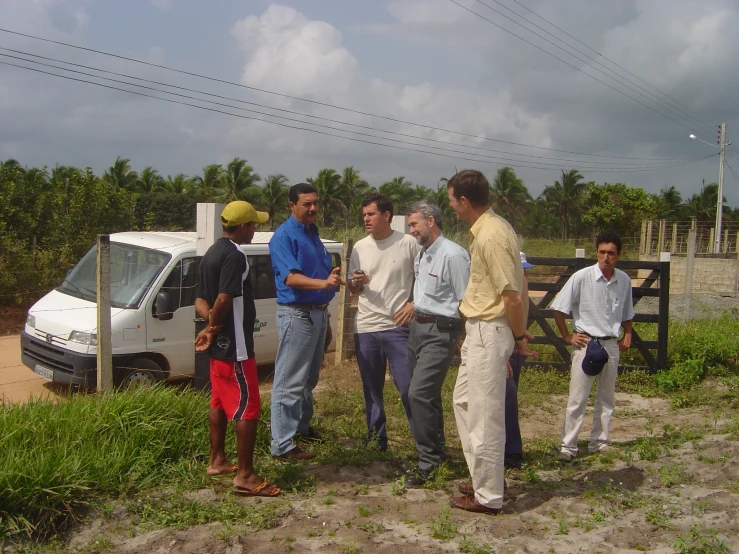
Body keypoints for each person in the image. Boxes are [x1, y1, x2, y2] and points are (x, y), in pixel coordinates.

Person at [446, 169, 536, 515]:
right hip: (482, 330)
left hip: (490, 330)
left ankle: (488, 496)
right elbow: (519, 288)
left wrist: (516, 337)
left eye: (453, 201)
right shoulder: (491, 229)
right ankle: (484, 475)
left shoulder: (491, 236)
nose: (452, 207)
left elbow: (512, 295)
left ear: (465, 201)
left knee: (485, 416)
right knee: (465, 403)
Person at [194, 200, 279, 497]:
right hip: (237, 348)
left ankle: (217, 459)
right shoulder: (235, 256)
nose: (256, 229)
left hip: (219, 349)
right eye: (254, 224)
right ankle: (245, 475)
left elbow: (200, 301)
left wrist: (209, 326)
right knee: (247, 407)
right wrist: (214, 326)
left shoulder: (210, 254)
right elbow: (223, 298)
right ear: (243, 227)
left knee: (218, 401)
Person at [269, 183, 345, 460]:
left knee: (308, 378)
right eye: (306, 204)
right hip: (296, 313)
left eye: (315, 203)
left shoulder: (313, 234)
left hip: (316, 312)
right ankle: (282, 444)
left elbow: (323, 276)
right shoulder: (283, 237)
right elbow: (291, 278)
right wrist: (324, 282)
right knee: (289, 380)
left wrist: (327, 304)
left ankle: (300, 428)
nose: (313, 209)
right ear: (292, 206)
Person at [552, 232, 634, 462]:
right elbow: (558, 308)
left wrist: (628, 333)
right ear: (596, 252)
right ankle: (568, 446)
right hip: (586, 343)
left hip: (611, 343)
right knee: (578, 398)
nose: (606, 257)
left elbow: (626, 311)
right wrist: (567, 336)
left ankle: (600, 442)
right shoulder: (582, 277)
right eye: (602, 252)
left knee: (606, 397)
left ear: (618, 256)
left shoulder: (624, 280)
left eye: (611, 253)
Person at [404, 200, 470, 486]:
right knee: (424, 394)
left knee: (418, 393)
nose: (411, 230)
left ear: (431, 221)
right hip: (417, 328)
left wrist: (463, 337)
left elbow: (465, 300)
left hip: (441, 331)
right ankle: (437, 450)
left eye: (414, 224)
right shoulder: (423, 253)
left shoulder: (453, 255)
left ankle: (428, 461)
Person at [348, 193, 419, 452]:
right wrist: (356, 283)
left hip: (397, 327)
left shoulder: (408, 243)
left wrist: (414, 304)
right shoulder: (359, 247)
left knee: (408, 388)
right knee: (372, 390)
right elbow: (353, 289)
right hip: (366, 327)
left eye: (371, 214)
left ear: (386, 215)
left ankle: (424, 443)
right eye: (364, 214)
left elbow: (424, 277)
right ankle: (377, 442)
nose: (366, 218)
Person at [504, 252, 536, 470]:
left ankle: (511, 449)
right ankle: (509, 450)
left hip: (514, 344)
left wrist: (521, 332)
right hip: (505, 343)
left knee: (509, 396)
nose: (523, 272)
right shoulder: (510, 284)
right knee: (507, 396)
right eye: (520, 267)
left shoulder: (520, 282)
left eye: (525, 268)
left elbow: (520, 311)